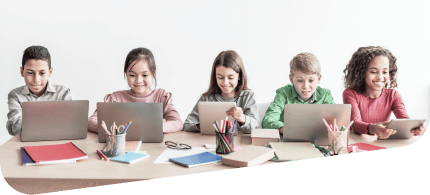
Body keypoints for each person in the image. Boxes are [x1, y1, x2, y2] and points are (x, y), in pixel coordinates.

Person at [87, 47, 182, 133]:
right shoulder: (115, 98)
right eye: (132, 75)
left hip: (154, 148)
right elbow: (91, 121)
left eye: (145, 75)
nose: (138, 81)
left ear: (153, 73)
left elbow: (177, 122)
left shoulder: (162, 96)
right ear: (126, 74)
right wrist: (113, 129)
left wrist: (155, 127)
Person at [342, 46, 427, 139]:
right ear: (362, 72)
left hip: (381, 143)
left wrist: (416, 129)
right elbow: (355, 125)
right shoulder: (350, 93)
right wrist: (374, 128)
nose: (380, 77)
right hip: (357, 143)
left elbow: (405, 121)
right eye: (373, 72)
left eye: (385, 72)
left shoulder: (393, 95)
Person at [183, 50, 259, 134]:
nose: (225, 83)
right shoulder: (206, 98)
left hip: (238, 144)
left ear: (239, 76)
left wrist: (243, 119)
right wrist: (204, 125)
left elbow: (256, 126)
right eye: (220, 77)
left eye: (230, 78)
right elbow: (187, 125)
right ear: (215, 77)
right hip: (208, 144)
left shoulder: (247, 96)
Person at [6, 45, 72, 136]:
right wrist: (53, 120)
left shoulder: (63, 92)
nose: (36, 79)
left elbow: (69, 124)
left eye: (42, 73)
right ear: (22, 72)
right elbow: (15, 126)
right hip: (27, 143)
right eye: (30, 73)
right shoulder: (15, 95)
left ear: (50, 72)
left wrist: (28, 122)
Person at [262, 52, 334, 134]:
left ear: (319, 78)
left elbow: (336, 120)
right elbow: (267, 120)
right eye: (300, 81)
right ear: (291, 79)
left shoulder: (325, 95)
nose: (306, 86)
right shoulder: (283, 94)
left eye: (311, 80)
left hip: (318, 140)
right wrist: (287, 130)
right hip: (289, 142)